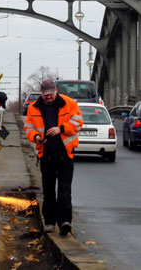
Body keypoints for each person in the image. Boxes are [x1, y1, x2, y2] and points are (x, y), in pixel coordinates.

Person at [24, 79, 83, 236]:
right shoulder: (33, 108)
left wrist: (61, 128)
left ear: (56, 91)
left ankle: (65, 221)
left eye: (50, 94)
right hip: (46, 155)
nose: (48, 97)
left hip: (65, 154)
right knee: (49, 190)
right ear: (41, 94)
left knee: (65, 189)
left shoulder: (69, 104)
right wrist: (36, 137)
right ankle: (49, 222)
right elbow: (28, 128)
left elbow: (78, 122)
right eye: (45, 95)